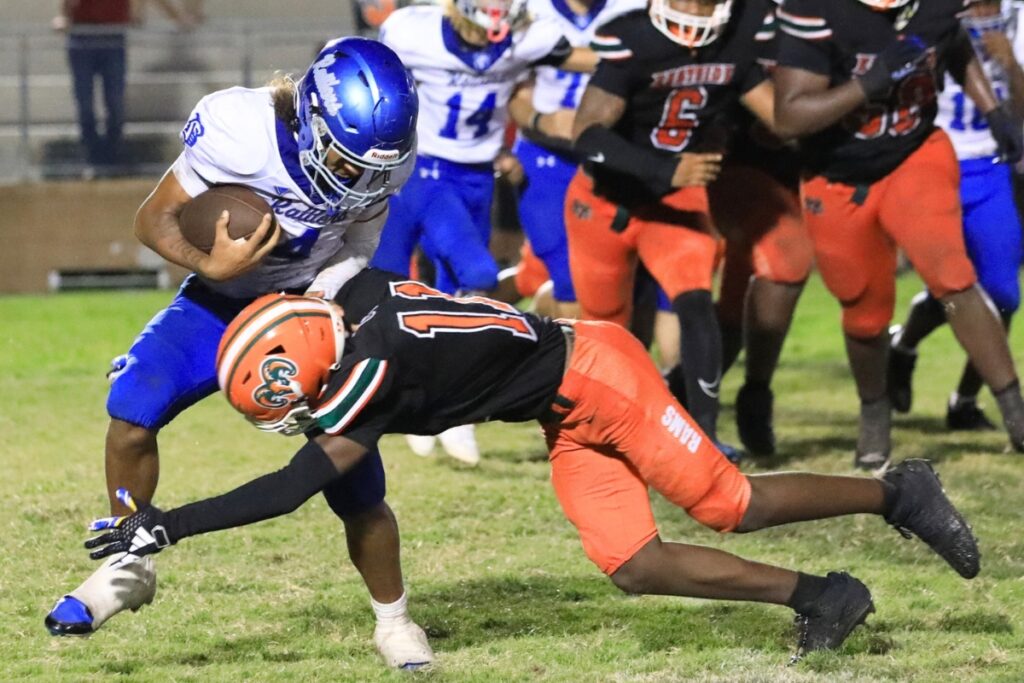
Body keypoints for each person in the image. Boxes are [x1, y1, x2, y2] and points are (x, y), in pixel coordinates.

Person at [81, 276, 980, 664]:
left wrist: (173, 520)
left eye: (283, 398)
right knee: (633, 563)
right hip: (560, 400)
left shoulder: (376, 374)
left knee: (727, 500)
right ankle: (823, 595)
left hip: (598, 371)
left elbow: (292, 487)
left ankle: (898, 489)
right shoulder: (350, 303)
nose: (288, 416)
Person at [45, 37, 434, 669]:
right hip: (223, 296)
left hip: (312, 303)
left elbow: (362, 240)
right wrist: (210, 262)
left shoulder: (384, 162)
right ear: (309, 115)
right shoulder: (237, 129)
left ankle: (394, 621)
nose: (356, 177)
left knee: (353, 474)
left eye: (369, 166)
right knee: (131, 406)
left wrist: (323, 303)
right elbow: (152, 220)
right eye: (343, 158)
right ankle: (128, 562)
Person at [773, 0, 1024, 470]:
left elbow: (948, 42)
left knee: (953, 274)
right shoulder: (817, 11)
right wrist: (871, 80)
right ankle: (875, 410)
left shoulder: (934, 5)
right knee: (864, 309)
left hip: (914, 151)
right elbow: (789, 117)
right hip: (839, 174)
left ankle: (1016, 414)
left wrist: (991, 110)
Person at [369, 0, 595, 463]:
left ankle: (446, 410)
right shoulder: (414, 31)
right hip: (422, 171)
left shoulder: (527, 35)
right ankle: (394, 397)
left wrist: (649, 54)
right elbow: (370, 71)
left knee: (454, 296)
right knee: (430, 280)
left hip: (477, 177)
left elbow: (582, 57)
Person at [567, 0, 778, 456]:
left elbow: (784, 116)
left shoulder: (739, 34)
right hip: (606, 202)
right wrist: (664, 169)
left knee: (697, 300)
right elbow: (586, 133)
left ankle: (702, 438)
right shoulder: (632, 35)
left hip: (676, 198)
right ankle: (599, 433)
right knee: (607, 330)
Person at [888, 0, 1024, 431]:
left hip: (992, 163)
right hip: (930, 158)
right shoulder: (923, 9)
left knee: (1000, 293)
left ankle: (963, 399)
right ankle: (904, 348)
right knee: (952, 281)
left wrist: (1008, 63)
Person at [706, 0, 814, 456]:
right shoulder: (737, 13)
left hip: (812, 164)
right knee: (786, 256)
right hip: (732, 160)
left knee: (737, 297)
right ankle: (748, 393)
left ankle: (693, 398)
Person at [505, 0, 647, 320]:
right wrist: (545, 121)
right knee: (568, 275)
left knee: (627, 280)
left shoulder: (636, 7)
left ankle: (543, 326)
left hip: (615, 159)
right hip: (546, 156)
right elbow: (516, 94)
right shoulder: (531, 10)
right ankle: (578, 364)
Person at [53, 0, 193, 174]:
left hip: (113, 36)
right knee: (85, 103)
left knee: (115, 102)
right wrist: (64, 16)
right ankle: (93, 158)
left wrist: (171, 17)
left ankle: (112, 158)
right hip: (83, 35)